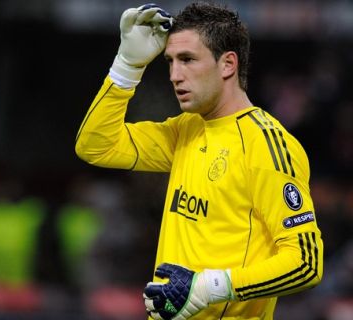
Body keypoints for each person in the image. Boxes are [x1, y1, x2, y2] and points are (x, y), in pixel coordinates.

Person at [75, 2, 323, 320]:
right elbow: (95, 145)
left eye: (188, 60)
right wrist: (126, 66)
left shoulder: (266, 146)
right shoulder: (186, 130)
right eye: (170, 61)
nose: (175, 75)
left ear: (227, 65)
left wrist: (209, 287)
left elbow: (305, 263)